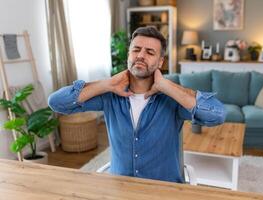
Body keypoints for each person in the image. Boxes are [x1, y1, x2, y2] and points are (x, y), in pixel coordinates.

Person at [48, 26, 225, 183]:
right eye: (136, 50)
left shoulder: (172, 98)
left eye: (149, 52)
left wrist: (165, 85)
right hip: (120, 188)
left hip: (163, 191)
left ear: (160, 62)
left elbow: (217, 115)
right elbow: (57, 102)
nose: (140, 55)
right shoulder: (110, 96)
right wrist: (106, 84)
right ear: (129, 55)